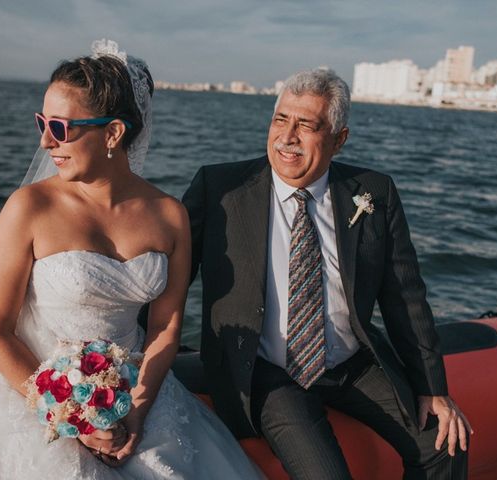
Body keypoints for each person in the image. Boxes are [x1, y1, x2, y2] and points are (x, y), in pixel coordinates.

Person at [0, 39, 263, 479]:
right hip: (35, 391)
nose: (45, 139)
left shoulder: (170, 216)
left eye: (61, 126)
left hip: (137, 394)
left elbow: (166, 327)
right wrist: (73, 417)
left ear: (112, 134)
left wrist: (138, 411)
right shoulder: (29, 207)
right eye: (42, 121)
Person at [183, 68, 472, 479]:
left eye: (307, 125)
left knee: (446, 443)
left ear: (339, 139)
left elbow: (405, 297)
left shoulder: (375, 192)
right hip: (266, 370)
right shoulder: (221, 188)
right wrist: (141, 354)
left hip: (351, 363)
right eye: (281, 120)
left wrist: (432, 388)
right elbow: (173, 279)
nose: (287, 137)